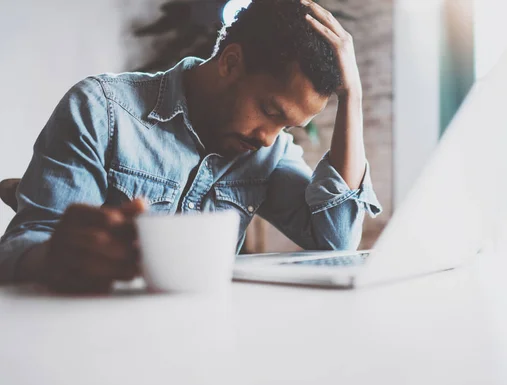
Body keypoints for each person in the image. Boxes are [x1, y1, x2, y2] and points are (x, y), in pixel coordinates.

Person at [0, 0, 381, 293]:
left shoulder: (267, 151)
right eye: (268, 110)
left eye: (289, 127)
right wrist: (54, 255)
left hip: (201, 344)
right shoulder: (101, 111)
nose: (268, 137)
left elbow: (337, 245)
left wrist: (354, 98)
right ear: (231, 63)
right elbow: (16, 251)